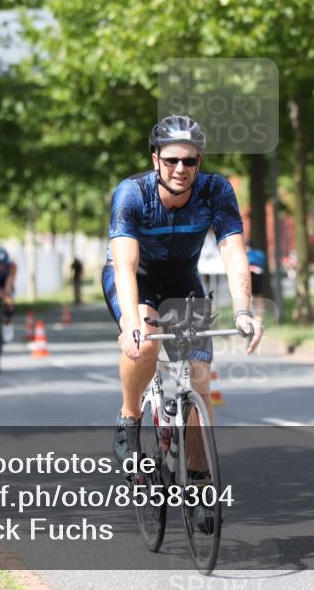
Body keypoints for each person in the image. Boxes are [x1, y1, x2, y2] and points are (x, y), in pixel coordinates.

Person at [102, 114, 265, 466]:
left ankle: (200, 483)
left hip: (182, 281)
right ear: (155, 159)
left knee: (199, 381)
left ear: (199, 162)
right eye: (171, 159)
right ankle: (129, 418)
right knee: (145, 341)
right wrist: (131, 322)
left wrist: (243, 311)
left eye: (189, 160)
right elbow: (125, 265)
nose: (180, 168)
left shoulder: (216, 190)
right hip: (136, 279)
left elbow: (233, 250)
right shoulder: (133, 193)